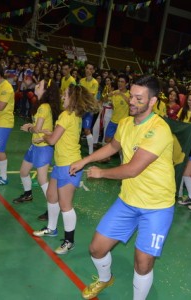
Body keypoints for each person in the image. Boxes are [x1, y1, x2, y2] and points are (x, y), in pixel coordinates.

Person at [70, 75, 175, 300]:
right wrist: (85, 160)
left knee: (143, 263)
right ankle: (105, 278)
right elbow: (112, 147)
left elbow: (132, 169)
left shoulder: (159, 129)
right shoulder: (127, 123)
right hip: (128, 200)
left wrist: (101, 173)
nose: (132, 101)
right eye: (131, 96)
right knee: (96, 249)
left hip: (157, 206)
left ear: (152, 101)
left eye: (139, 98)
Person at [33, 84, 98, 255]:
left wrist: (44, 137)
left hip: (69, 166)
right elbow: (59, 136)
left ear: (72, 98)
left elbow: (53, 140)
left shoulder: (65, 115)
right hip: (61, 163)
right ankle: (51, 228)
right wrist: (49, 134)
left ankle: (69, 241)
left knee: (65, 205)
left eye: (66, 94)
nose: (62, 96)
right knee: (51, 196)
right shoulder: (73, 115)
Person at [12, 79, 60, 217]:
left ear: (45, 91)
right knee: (23, 171)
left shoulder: (44, 106)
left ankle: (53, 207)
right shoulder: (40, 105)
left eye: (39, 85)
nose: (36, 86)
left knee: (42, 179)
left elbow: (37, 129)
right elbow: (38, 127)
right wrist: (31, 127)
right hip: (35, 145)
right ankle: (28, 194)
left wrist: (28, 128)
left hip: (43, 147)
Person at [80, 62, 99, 154]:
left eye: (91, 69)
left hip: (89, 109)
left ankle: (91, 153)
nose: (88, 70)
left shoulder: (95, 83)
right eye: (87, 68)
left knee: (87, 130)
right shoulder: (81, 81)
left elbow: (90, 96)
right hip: (80, 108)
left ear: (93, 71)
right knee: (77, 128)